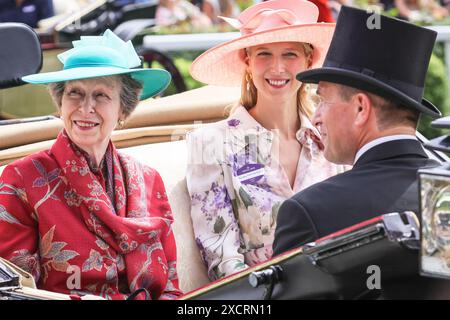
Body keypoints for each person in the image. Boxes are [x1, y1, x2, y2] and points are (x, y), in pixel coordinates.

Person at [0, 30, 182, 300]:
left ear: (123, 109)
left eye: (101, 95)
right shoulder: (21, 180)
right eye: (75, 93)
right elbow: (17, 292)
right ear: (60, 102)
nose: (86, 108)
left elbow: (171, 288)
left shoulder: (148, 180)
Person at [187, 0, 343, 280]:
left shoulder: (330, 141)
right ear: (247, 61)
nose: (277, 67)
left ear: (309, 60)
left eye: (290, 54)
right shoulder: (211, 143)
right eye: (264, 54)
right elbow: (222, 258)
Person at [273, 5, 442, 256]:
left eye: (322, 100)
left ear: (361, 108)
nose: (316, 116)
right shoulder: (443, 192)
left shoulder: (309, 211)